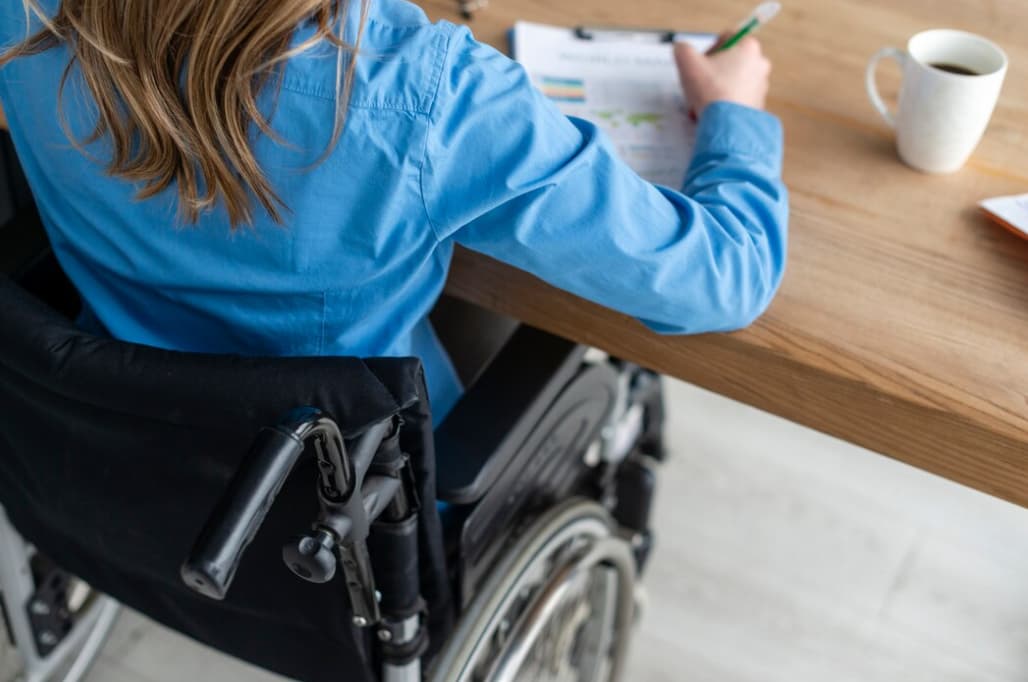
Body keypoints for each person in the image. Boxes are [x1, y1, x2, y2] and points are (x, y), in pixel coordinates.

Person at [0, 0, 787, 422]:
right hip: (342, 494)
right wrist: (735, 116)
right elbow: (724, 278)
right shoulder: (432, 97)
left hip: (113, 436)